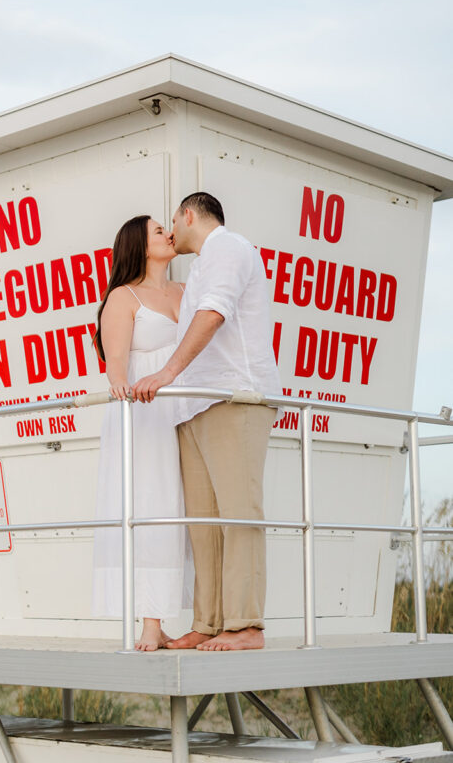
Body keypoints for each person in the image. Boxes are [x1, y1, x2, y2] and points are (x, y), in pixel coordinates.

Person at [133, 192, 281, 651]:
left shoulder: (230, 248)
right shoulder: (199, 266)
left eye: (172, 222)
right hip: (196, 407)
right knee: (204, 523)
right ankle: (210, 622)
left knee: (238, 513)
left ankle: (246, 625)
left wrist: (166, 373)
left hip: (234, 397)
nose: (170, 232)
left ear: (188, 215)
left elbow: (213, 313)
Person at [92, 215, 192, 651]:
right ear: (139, 244)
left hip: (187, 408)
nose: (168, 234)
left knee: (184, 510)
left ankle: (191, 619)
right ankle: (150, 621)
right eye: (157, 231)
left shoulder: (186, 293)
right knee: (153, 504)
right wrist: (119, 386)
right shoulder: (123, 296)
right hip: (145, 414)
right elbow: (116, 360)